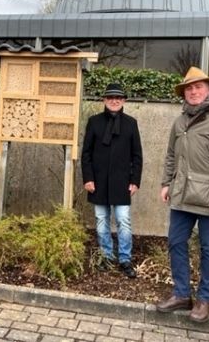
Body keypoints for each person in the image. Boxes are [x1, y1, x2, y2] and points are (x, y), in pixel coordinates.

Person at [156, 66, 209, 323]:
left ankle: (204, 299)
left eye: (198, 87)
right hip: (181, 195)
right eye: (189, 88)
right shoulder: (179, 120)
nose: (193, 92)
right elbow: (172, 155)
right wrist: (166, 182)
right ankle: (182, 294)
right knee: (176, 243)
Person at [81, 83, 143, 278]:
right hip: (98, 182)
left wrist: (135, 181)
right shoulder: (94, 122)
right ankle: (106, 256)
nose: (114, 101)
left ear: (123, 100)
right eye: (110, 98)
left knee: (124, 220)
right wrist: (88, 178)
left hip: (122, 182)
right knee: (101, 221)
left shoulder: (131, 123)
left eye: (118, 98)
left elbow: (137, 155)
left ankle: (125, 258)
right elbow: (86, 154)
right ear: (104, 100)